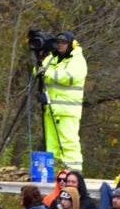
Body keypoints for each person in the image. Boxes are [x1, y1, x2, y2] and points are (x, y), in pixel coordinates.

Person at [37, 31, 87, 170]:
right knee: (52, 146)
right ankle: (54, 173)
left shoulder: (77, 60)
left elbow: (68, 78)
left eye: (64, 42)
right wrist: (40, 60)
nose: (60, 45)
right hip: (51, 110)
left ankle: (74, 174)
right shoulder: (51, 58)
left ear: (72, 44)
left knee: (68, 144)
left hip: (67, 111)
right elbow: (37, 71)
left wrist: (46, 73)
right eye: (58, 42)